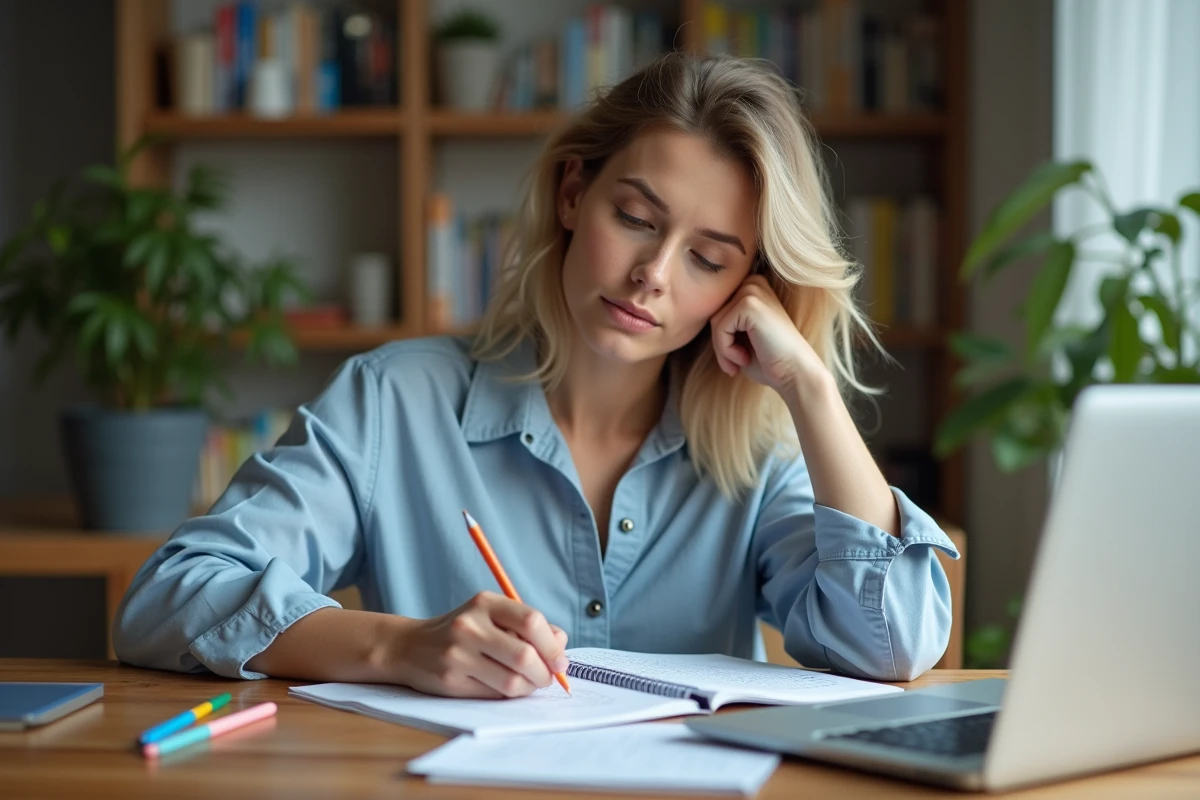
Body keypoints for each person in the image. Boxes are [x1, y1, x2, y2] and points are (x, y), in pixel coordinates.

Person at [113, 52, 958, 697]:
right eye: (635, 218)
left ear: (746, 289)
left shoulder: (759, 446)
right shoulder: (395, 401)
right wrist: (396, 647)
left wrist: (810, 385)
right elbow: (167, 599)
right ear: (571, 194)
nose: (652, 275)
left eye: (707, 258)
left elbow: (890, 646)